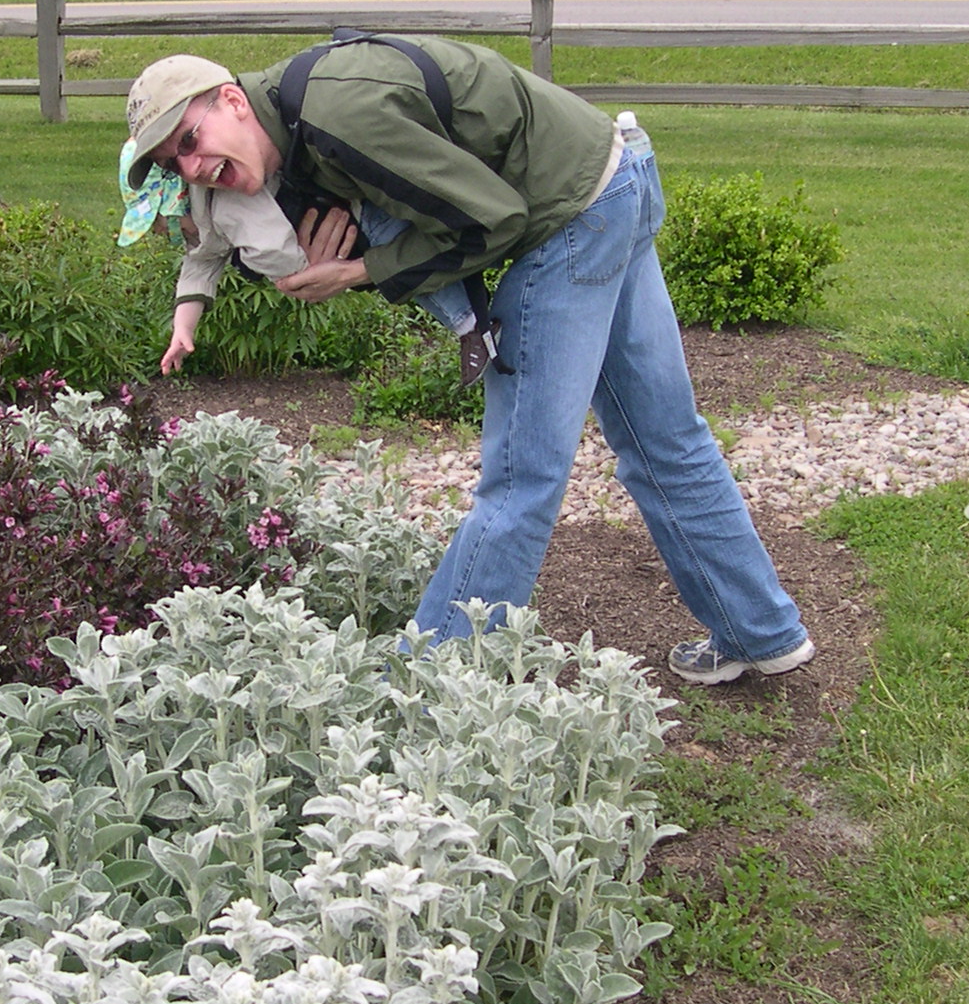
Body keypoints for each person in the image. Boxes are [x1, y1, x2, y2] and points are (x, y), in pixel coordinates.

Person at [121, 37, 813, 686]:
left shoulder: (337, 116)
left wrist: (360, 271)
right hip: (617, 170)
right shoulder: (294, 125)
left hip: (571, 215)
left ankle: (429, 686)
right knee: (666, 439)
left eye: (189, 140)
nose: (190, 168)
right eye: (171, 165)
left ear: (233, 101)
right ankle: (762, 632)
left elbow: (492, 219)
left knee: (521, 477)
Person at [115, 60, 499, 381]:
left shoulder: (225, 206)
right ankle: (474, 324)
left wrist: (296, 271)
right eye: (174, 163)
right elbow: (199, 263)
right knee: (407, 268)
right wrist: (184, 327)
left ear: (174, 203)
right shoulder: (208, 209)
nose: (170, 234)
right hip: (337, 214)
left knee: (407, 261)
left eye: (163, 224)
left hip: (350, 214)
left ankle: (472, 325)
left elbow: (275, 250)